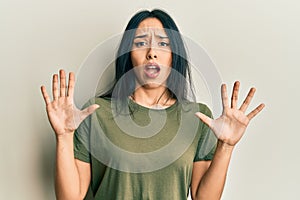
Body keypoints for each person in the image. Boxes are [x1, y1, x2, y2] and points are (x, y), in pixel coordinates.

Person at [41, 9, 265, 200]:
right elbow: (70, 197)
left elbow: (203, 197)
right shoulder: (97, 113)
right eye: (140, 43)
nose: (151, 53)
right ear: (129, 55)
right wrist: (64, 137)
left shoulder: (197, 117)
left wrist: (226, 146)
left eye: (163, 44)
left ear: (173, 55)